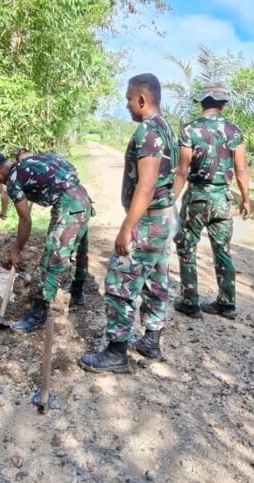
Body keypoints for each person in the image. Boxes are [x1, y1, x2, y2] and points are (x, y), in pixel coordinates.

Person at [79, 73, 177, 373]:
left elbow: (146, 186)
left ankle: (116, 352)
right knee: (155, 281)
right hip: (164, 220)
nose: (126, 105)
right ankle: (151, 341)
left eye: (128, 99)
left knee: (119, 284)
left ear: (142, 99)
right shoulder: (165, 129)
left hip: (147, 223)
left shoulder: (148, 132)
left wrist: (126, 227)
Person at [0, 149, 93, 333]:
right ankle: (78, 292)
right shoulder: (36, 160)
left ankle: (38, 313)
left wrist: (16, 250)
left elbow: (26, 220)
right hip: (82, 198)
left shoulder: (13, 180)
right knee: (80, 249)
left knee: (51, 258)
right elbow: (69, 168)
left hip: (67, 205)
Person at [172, 86, 250, 321]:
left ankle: (190, 301)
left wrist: (170, 200)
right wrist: (246, 199)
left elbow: (182, 170)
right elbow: (241, 169)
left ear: (202, 104)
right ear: (222, 106)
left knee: (186, 246)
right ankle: (227, 303)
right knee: (223, 250)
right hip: (222, 200)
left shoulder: (189, 130)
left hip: (197, 197)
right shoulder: (234, 131)